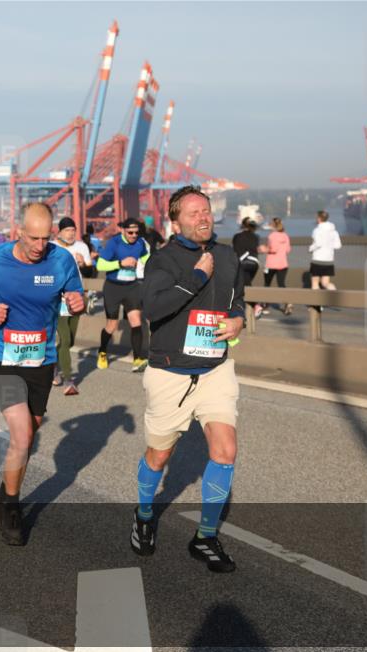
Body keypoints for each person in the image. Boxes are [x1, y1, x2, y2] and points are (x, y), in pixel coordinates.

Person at [133, 185, 244, 573]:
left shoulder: (228, 256)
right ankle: (145, 513)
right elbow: (154, 308)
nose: (203, 218)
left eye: (207, 211)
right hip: (170, 374)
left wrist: (238, 321)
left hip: (215, 370)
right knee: (159, 455)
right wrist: (197, 277)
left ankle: (205, 537)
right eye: (194, 213)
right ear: (175, 221)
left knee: (225, 450)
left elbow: (237, 300)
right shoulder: (162, 261)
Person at [0, 202, 85, 545]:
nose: (39, 246)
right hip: (1, 356)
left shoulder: (60, 259)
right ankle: (12, 510)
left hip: (41, 360)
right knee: (21, 434)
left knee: (29, 434)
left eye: (45, 238)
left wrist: (79, 302)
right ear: (18, 232)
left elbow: (76, 294)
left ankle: (3, 494)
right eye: (33, 238)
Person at [96, 218, 151, 373]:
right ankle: (102, 352)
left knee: (136, 321)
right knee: (111, 325)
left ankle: (138, 359)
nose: (134, 235)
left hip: (132, 287)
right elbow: (100, 265)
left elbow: (146, 257)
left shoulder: (140, 243)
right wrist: (120, 263)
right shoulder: (114, 243)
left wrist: (152, 263)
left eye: (136, 232)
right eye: (130, 232)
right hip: (113, 288)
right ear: (123, 230)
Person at [51, 217, 92, 394]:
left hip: (77, 298)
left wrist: (83, 264)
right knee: (65, 339)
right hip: (57, 299)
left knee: (71, 340)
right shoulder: (52, 247)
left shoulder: (82, 247)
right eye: (67, 230)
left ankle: (53, 366)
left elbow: (91, 271)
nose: (71, 234)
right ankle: (69, 380)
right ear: (59, 232)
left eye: (73, 230)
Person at [260, 217, 292, 315]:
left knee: (267, 284)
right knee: (281, 284)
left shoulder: (272, 236)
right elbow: (288, 250)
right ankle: (288, 302)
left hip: (271, 264)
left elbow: (273, 249)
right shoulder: (285, 236)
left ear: (272, 225)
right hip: (283, 263)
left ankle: (265, 306)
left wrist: (263, 249)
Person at [232, 218, 262, 318]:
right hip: (254, 263)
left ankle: (255, 306)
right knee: (246, 283)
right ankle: (252, 307)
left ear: (242, 225)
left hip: (243, 263)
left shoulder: (237, 236)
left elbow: (236, 251)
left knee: (242, 285)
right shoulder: (255, 237)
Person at [309, 210, 341, 291]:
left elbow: (318, 244)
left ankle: (315, 303)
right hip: (329, 260)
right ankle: (334, 296)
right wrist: (329, 246)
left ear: (319, 218)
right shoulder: (334, 231)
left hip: (317, 259)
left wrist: (310, 248)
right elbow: (338, 246)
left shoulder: (317, 230)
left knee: (315, 282)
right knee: (325, 283)